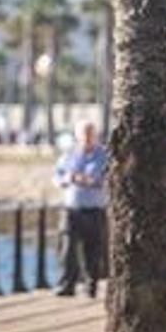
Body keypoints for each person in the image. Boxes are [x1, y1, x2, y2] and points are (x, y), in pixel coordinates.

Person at [53, 120, 110, 299]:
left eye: (90, 133)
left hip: (95, 210)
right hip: (72, 209)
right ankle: (66, 285)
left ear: (96, 135)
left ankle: (90, 286)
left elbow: (110, 179)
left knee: (92, 251)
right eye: (84, 134)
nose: (87, 137)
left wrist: (95, 181)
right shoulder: (69, 154)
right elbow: (57, 176)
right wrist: (68, 179)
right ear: (77, 136)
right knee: (67, 249)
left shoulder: (104, 155)